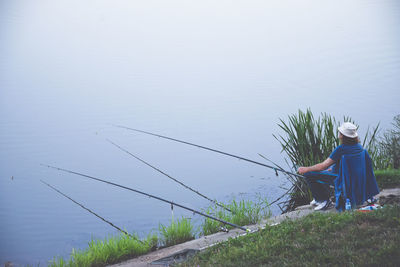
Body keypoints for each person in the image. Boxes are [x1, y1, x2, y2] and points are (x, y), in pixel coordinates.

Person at [297, 122, 364, 211]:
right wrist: (332, 168)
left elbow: (322, 166)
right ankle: (319, 197)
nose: (339, 135)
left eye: (340, 133)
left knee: (309, 174)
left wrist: (306, 169)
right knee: (323, 172)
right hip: (352, 179)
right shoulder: (359, 147)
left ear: (342, 136)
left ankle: (323, 200)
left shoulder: (341, 149)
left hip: (341, 179)